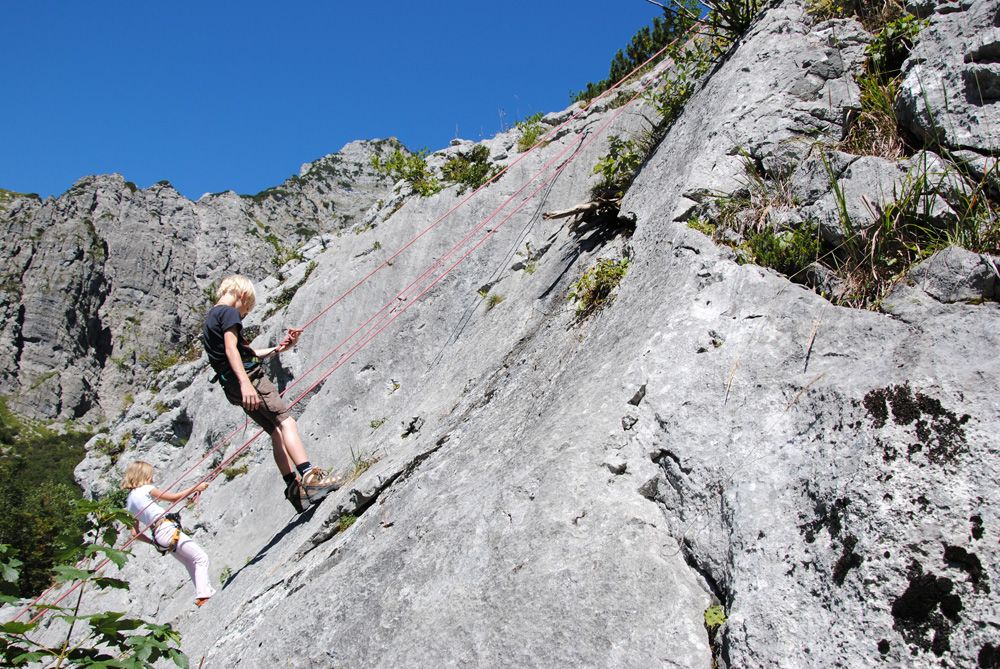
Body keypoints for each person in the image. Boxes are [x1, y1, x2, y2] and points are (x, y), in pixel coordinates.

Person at [201, 274, 340, 513]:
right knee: (286, 421)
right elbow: (231, 349)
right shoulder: (229, 312)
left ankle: (294, 490)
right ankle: (309, 476)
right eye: (246, 310)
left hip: (231, 385)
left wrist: (278, 349)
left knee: (275, 431)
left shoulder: (211, 318)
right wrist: (246, 383)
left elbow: (245, 351)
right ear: (242, 296)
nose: (243, 315)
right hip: (249, 380)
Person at [122, 460, 215, 607]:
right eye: (150, 474)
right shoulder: (146, 488)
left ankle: (203, 593)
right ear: (143, 475)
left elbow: (134, 533)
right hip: (166, 528)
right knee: (201, 558)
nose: (152, 478)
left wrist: (152, 542)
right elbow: (172, 498)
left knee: (190, 562)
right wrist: (196, 487)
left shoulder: (129, 503)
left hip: (158, 536)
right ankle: (203, 594)